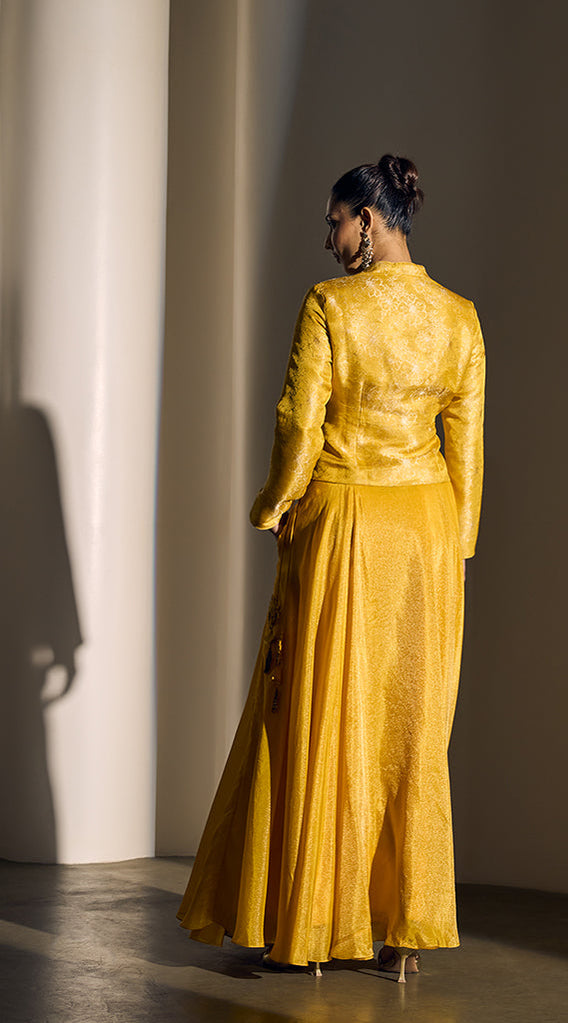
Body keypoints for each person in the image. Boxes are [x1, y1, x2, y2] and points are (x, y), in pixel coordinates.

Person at [177, 154, 485, 983]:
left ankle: (313, 925)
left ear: (369, 221)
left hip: (346, 519)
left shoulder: (330, 305)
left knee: (322, 712)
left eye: (335, 221)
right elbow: (467, 448)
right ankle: (404, 931)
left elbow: (297, 421)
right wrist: (456, 544)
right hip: (426, 531)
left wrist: (271, 504)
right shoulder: (459, 318)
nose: (329, 238)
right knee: (410, 726)